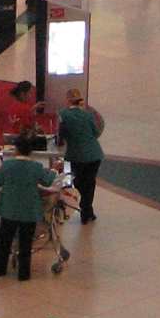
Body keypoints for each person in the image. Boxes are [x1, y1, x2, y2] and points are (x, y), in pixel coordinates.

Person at [0, 132, 58, 282]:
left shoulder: (8, 165)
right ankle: (24, 273)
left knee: (4, 240)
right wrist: (55, 168)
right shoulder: (36, 167)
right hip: (29, 210)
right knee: (26, 242)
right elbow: (48, 181)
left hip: (9, 209)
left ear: (16, 149)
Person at [56, 87, 103, 223]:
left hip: (76, 155)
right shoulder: (88, 114)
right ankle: (87, 211)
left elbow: (61, 135)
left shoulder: (63, 114)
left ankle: (85, 210)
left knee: (78, 182)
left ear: (67, 100)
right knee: (90, 183)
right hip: (94, 154)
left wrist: (60, 142)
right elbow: (95, 132)